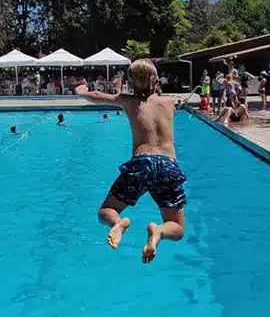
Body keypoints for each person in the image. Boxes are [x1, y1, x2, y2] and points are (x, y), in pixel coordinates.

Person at [74, 59, 187, 264]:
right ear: (156, 79)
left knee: (106, 212)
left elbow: (97, 96)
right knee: (177, 228)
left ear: (130, 81)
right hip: (169, 166)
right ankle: (159, 232)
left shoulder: (127, 100)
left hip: (141, 163)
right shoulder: (170, 103)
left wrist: (81, 90)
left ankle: (118, 222)